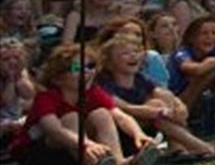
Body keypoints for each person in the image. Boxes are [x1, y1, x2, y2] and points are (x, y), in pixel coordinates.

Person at [10, 44, 161, 165]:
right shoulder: (47, 98)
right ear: (58, 78)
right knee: (71, 117)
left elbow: (120, 116)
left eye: (90, 66)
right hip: (34, 151)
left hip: (72, 147)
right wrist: (87, 144)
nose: (87, 72)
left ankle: (117, 161)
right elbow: (54, 130)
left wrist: (138, 133)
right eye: (77, 68)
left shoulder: (93, 92)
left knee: (101, 113)